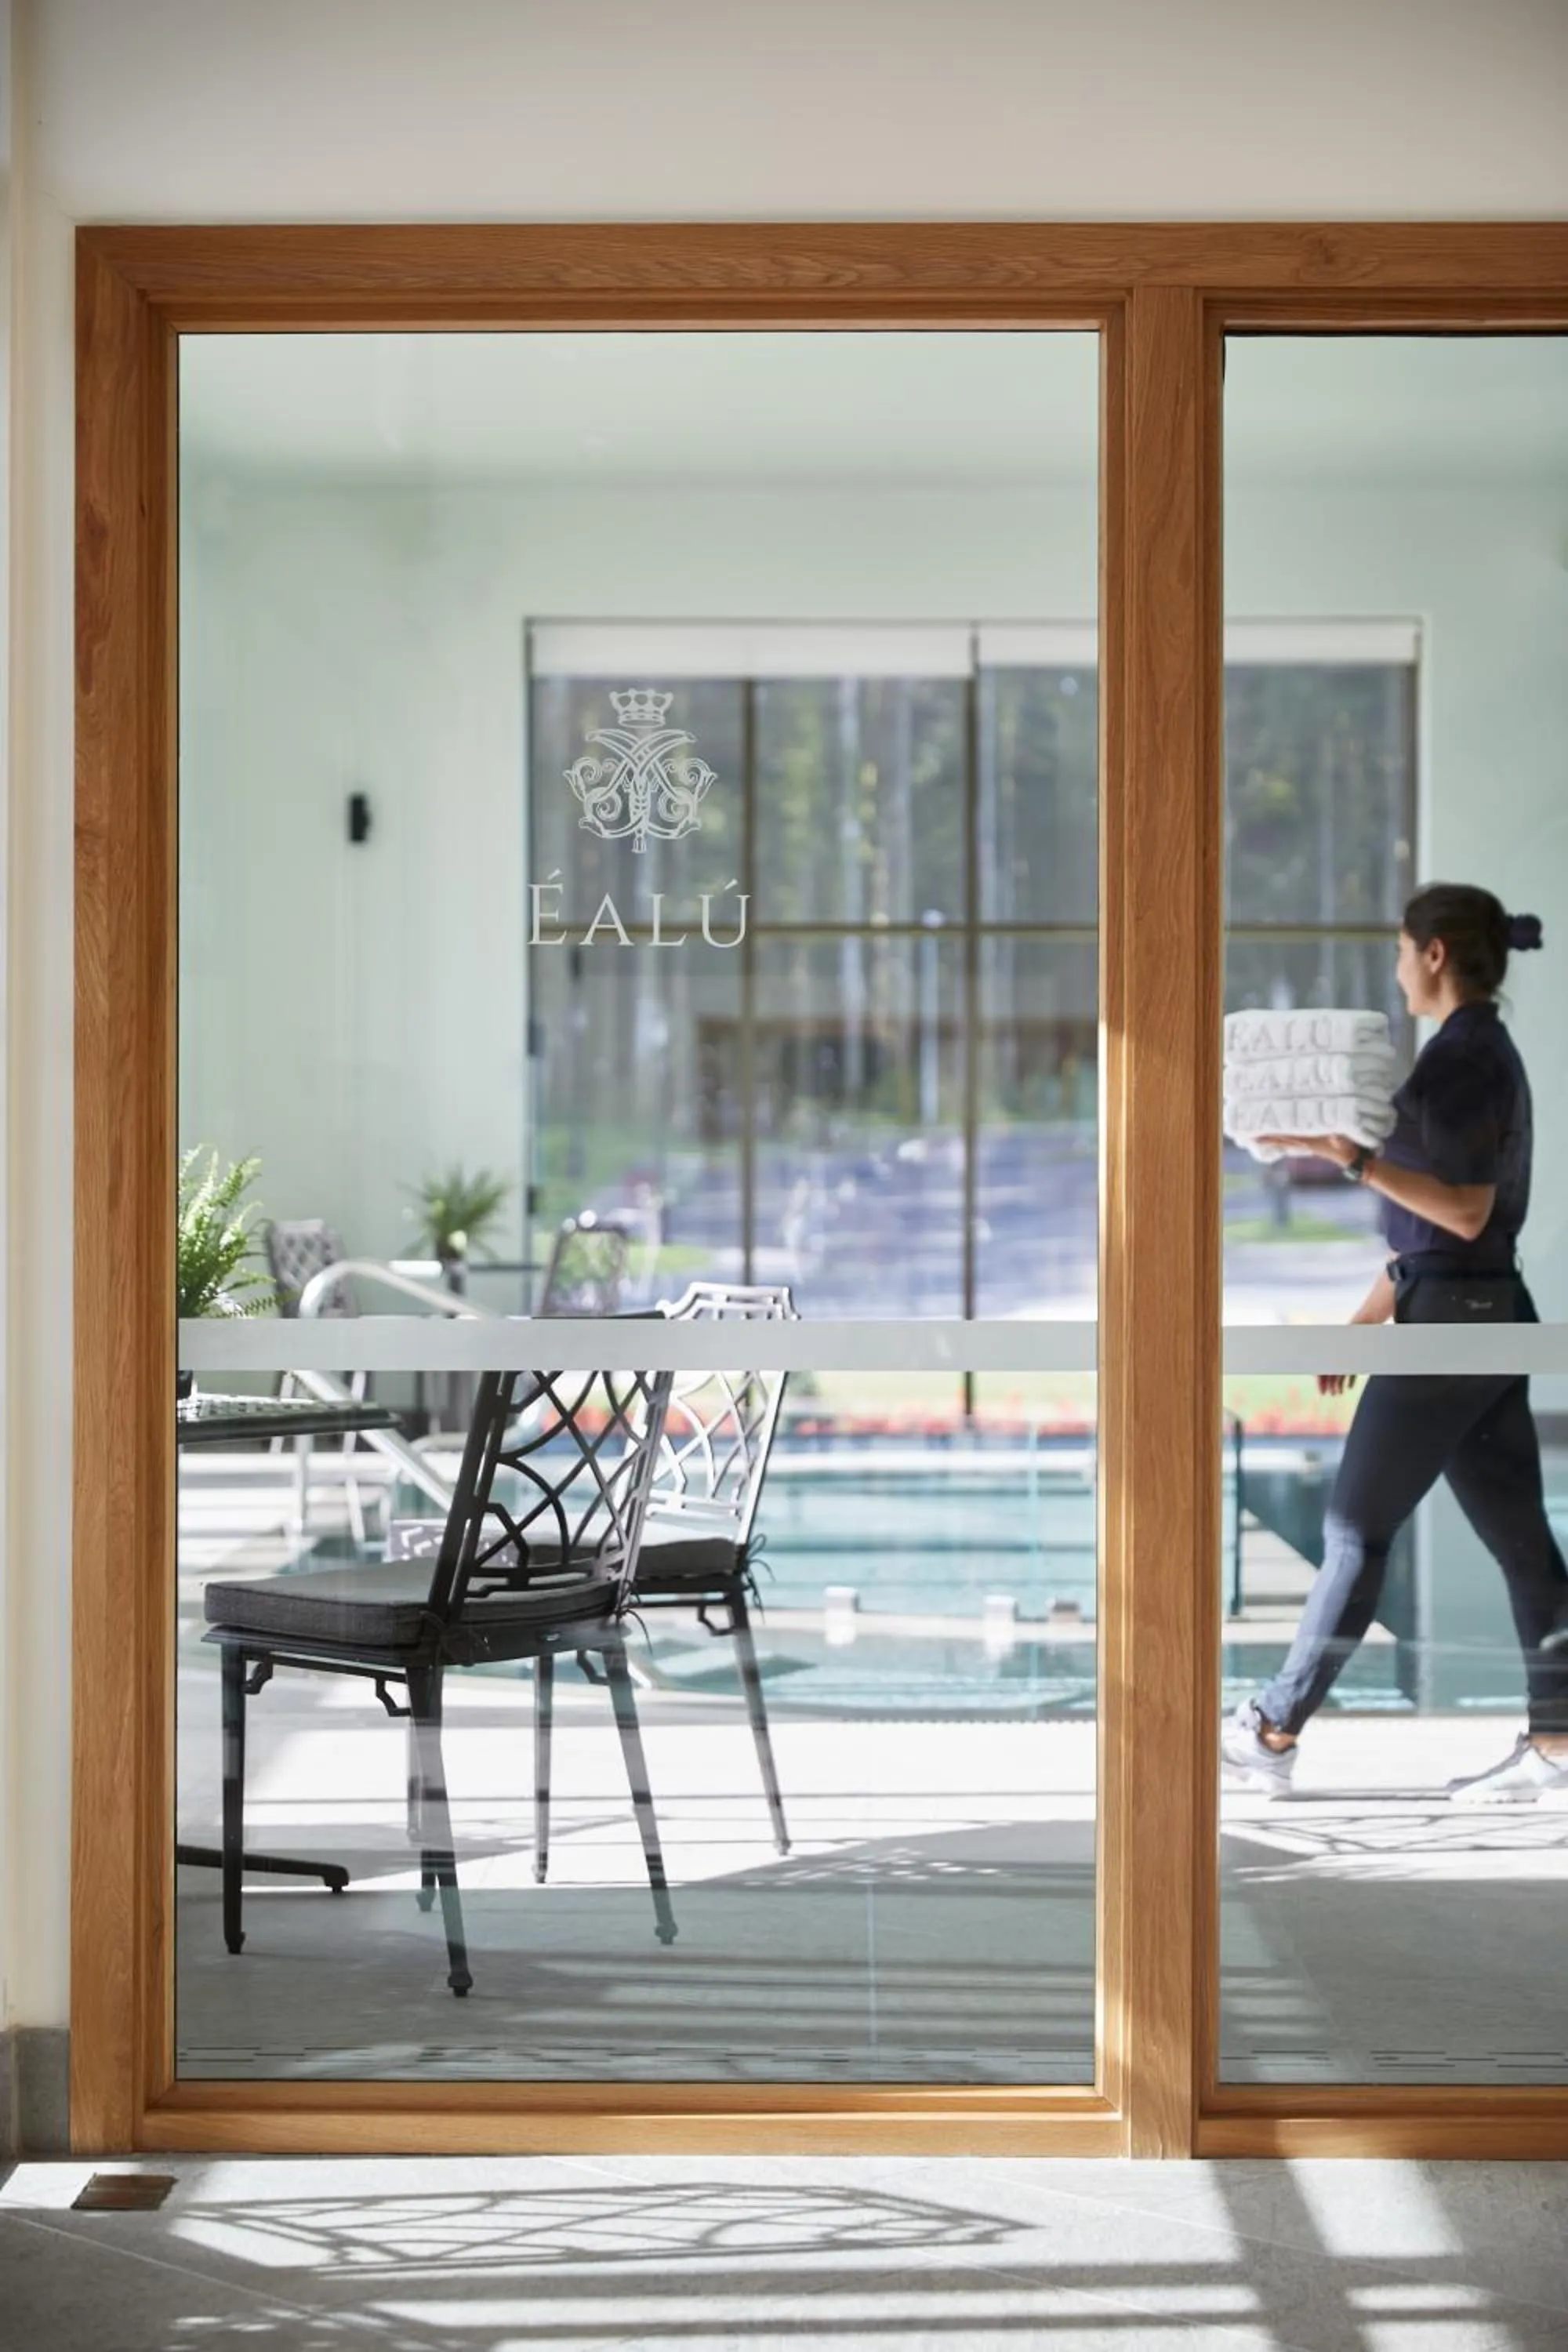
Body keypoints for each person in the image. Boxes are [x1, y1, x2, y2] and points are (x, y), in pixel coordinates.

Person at [1221, 884, 1568, 1805]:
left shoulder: (1461, 1060)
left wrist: (1352, 1158)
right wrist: (1365, 1321)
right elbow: (1435, 1243)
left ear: (1436, 955)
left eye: (1400, 951)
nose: (1395, 968)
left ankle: (1271, 1727)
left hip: (1452, 1325)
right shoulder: (1476, 1050)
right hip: (1475, 1313)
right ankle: (1556, 1745)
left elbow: (1459, 1213)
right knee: (1523, 1545)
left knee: (1351, 1532)